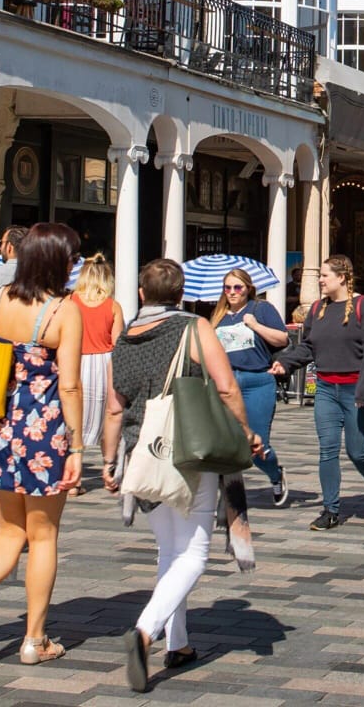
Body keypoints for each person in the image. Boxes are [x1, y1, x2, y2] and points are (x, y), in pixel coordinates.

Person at [103, 258, 261, 693]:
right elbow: (226, 386)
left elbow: (115, 406)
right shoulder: (194, 328)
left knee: (168, 551)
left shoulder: (125, 337)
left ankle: (180, 641)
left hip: (142, 452)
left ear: (141, 294)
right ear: (180, 294)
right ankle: (145, 631)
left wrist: (109, 458)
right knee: (193, 554)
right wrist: (245, 431)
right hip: (188, 448)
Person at [0, 223, 86, 671]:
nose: (75, 265)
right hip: (43, 431)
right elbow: (68, 385)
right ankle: (35, 639)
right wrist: (78, 446)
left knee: (9, 531)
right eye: (72, 257)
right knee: (43, 535)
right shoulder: (63, 310)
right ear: (57, 261)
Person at [269, 256, 364, 530]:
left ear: (342, 278)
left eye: (324, 275)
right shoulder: (317, 309)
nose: (320, 280)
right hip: (325, 389)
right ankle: (331, 510)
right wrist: (285, 362)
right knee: (327, 451)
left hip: (355, 390)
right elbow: (309, 346)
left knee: (357, 453)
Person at [211, 268, 290, 507]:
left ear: (248, 288)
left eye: (237, 287)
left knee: (256, 444)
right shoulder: (218, 316)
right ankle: (227, 495)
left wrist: (254, 325)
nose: (232, 293)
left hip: (257, 380)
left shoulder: (260, 309)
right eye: (228, 288)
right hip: (226, 382)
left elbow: (283, 339)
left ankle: (275, 475)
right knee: (225, 443)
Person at [71, 254, 125, 497]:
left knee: (74, 422)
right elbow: (118, 343)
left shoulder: (71, 302)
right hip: (104, 362)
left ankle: (74, 478)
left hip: (76, 360)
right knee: (109, 417)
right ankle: (108, 468)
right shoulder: (113, 306)